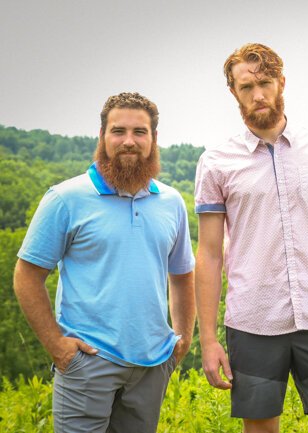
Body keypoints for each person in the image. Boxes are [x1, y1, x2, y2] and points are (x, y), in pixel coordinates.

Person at [194, 43, 308, 433]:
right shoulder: (216, 161)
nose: (258, 95)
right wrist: (208, 339)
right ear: (233, 93)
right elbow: (208, 255)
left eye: (265, 82)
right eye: (246, 87)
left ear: (281, 82)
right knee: (260, 430)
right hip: (253, 321)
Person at [13, 92, 196, 433]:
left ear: (154, 139)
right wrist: (58, 347)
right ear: (102, 136)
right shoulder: (65, 199)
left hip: (152, 365)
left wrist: (182, 338)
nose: (129, 141)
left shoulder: (171, 203)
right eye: (118, 131)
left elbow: (183, 274)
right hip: (87, 364)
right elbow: (26, 276)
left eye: (140, 132)